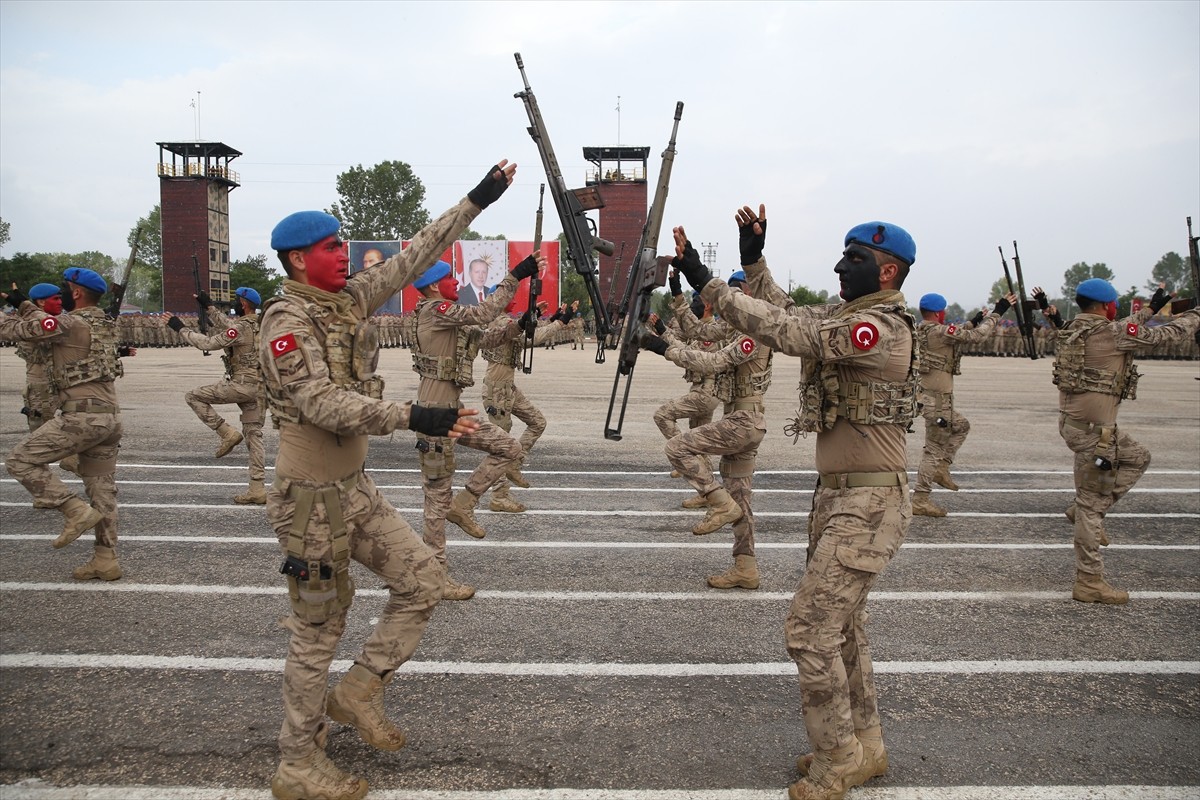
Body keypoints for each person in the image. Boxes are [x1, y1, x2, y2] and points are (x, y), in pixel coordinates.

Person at [260, 160, 514, 800]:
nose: (342, 254)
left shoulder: (345, 302)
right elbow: (320, 404)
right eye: (327, 247)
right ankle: (297, 763)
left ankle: (358, 689)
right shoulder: (286, 324)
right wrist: (414, 414)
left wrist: (476, 201)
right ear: (296, 261)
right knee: (318, 630)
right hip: (311, 497)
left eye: (342, 244)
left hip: (355, 487)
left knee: (423, 581)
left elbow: (418, 249)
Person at [675, 205, 917, 800]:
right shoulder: (849, 317)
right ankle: (865, 746)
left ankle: (838, 761)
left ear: (886, 273)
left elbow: (789, 332)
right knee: (847, 632)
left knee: (809, 633)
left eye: (854, 259)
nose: (840, 266)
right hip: (839, 502)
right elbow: (784, 309)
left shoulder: (878, 331)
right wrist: (752, 259)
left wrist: (707, 281)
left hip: (867, 507)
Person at [1053, 278, 1199, 604]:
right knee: (1092, 509)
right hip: (1095, 434)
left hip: (1077, 425)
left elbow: (1129, 325)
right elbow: (1167, 335)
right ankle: (1089, 581)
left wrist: (1153, 305)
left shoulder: (1072, 328)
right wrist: (1195, 315)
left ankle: (1083, 509)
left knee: (1138, 456)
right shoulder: (1113, 333)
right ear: (1107, 306)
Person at [409, 251, 543, 601]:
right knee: (435, 503)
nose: (458, 282)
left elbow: (485, 339)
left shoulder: (448, 321)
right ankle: (436, 578)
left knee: (508, 448)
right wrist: (515, 276)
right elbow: (483, 313)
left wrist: (519, 324)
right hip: (434, 416)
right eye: (452, 278)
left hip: (452, 412)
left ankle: (465, 503)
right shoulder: (435, 311)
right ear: (436, 286)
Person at [641, 264, 772, 592]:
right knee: (741, 500)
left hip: (743, 421)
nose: (730, 302)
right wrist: (675, 291)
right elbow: (696, 330)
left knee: (677, 447)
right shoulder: (732, 327)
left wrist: (663, 349)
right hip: (740, 418)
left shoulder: (753, 332)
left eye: (735, 295)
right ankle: (746, 567)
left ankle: (716, 500)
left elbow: (713, 361)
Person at [5, 268, 128, 582]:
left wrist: (12, 310)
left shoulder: (69, 323)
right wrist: (24, 304)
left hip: (81, 417)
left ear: (75, 293)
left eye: (65, 288)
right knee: (102, 492)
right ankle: (106, 560)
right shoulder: (105, 323)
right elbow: (40, 320)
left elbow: (18, 330)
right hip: (109, 416)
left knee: (20, 460)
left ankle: (72, 510)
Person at [911, 291, 1013, 517]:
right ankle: (920, 498)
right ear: (940, 312)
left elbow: (957, 333)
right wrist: (998, 313)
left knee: (962, 426)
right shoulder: (940, 331)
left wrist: (974, 320)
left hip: (928, 397)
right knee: (933, 449)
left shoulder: (921, 330)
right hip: (937, 402)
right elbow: (976, 337)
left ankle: (942, 467)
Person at [165, 287, 267, 504]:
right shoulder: (260, 325)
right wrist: (210, 308)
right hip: (260, 389)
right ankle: (257, 489)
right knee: (254, 437)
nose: (235, 304)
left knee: (193, 396)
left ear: (244, 304)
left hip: (241, 385)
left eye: (237, 300)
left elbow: (208, 343)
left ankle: (226, 433)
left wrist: (180, 328)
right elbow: (230, 326)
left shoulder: (241, 327)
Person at [480, 299, 564, 512]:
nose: (513, 300)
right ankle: (499, 497)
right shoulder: (499, 323)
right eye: (508, 298)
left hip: (508, 388)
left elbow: (525, 335)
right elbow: (531, 337)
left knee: (537, 422)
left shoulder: (506, 322)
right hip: (497, 391)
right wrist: (560, 322)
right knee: (500, 446)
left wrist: (551, 318)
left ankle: (514, 464)